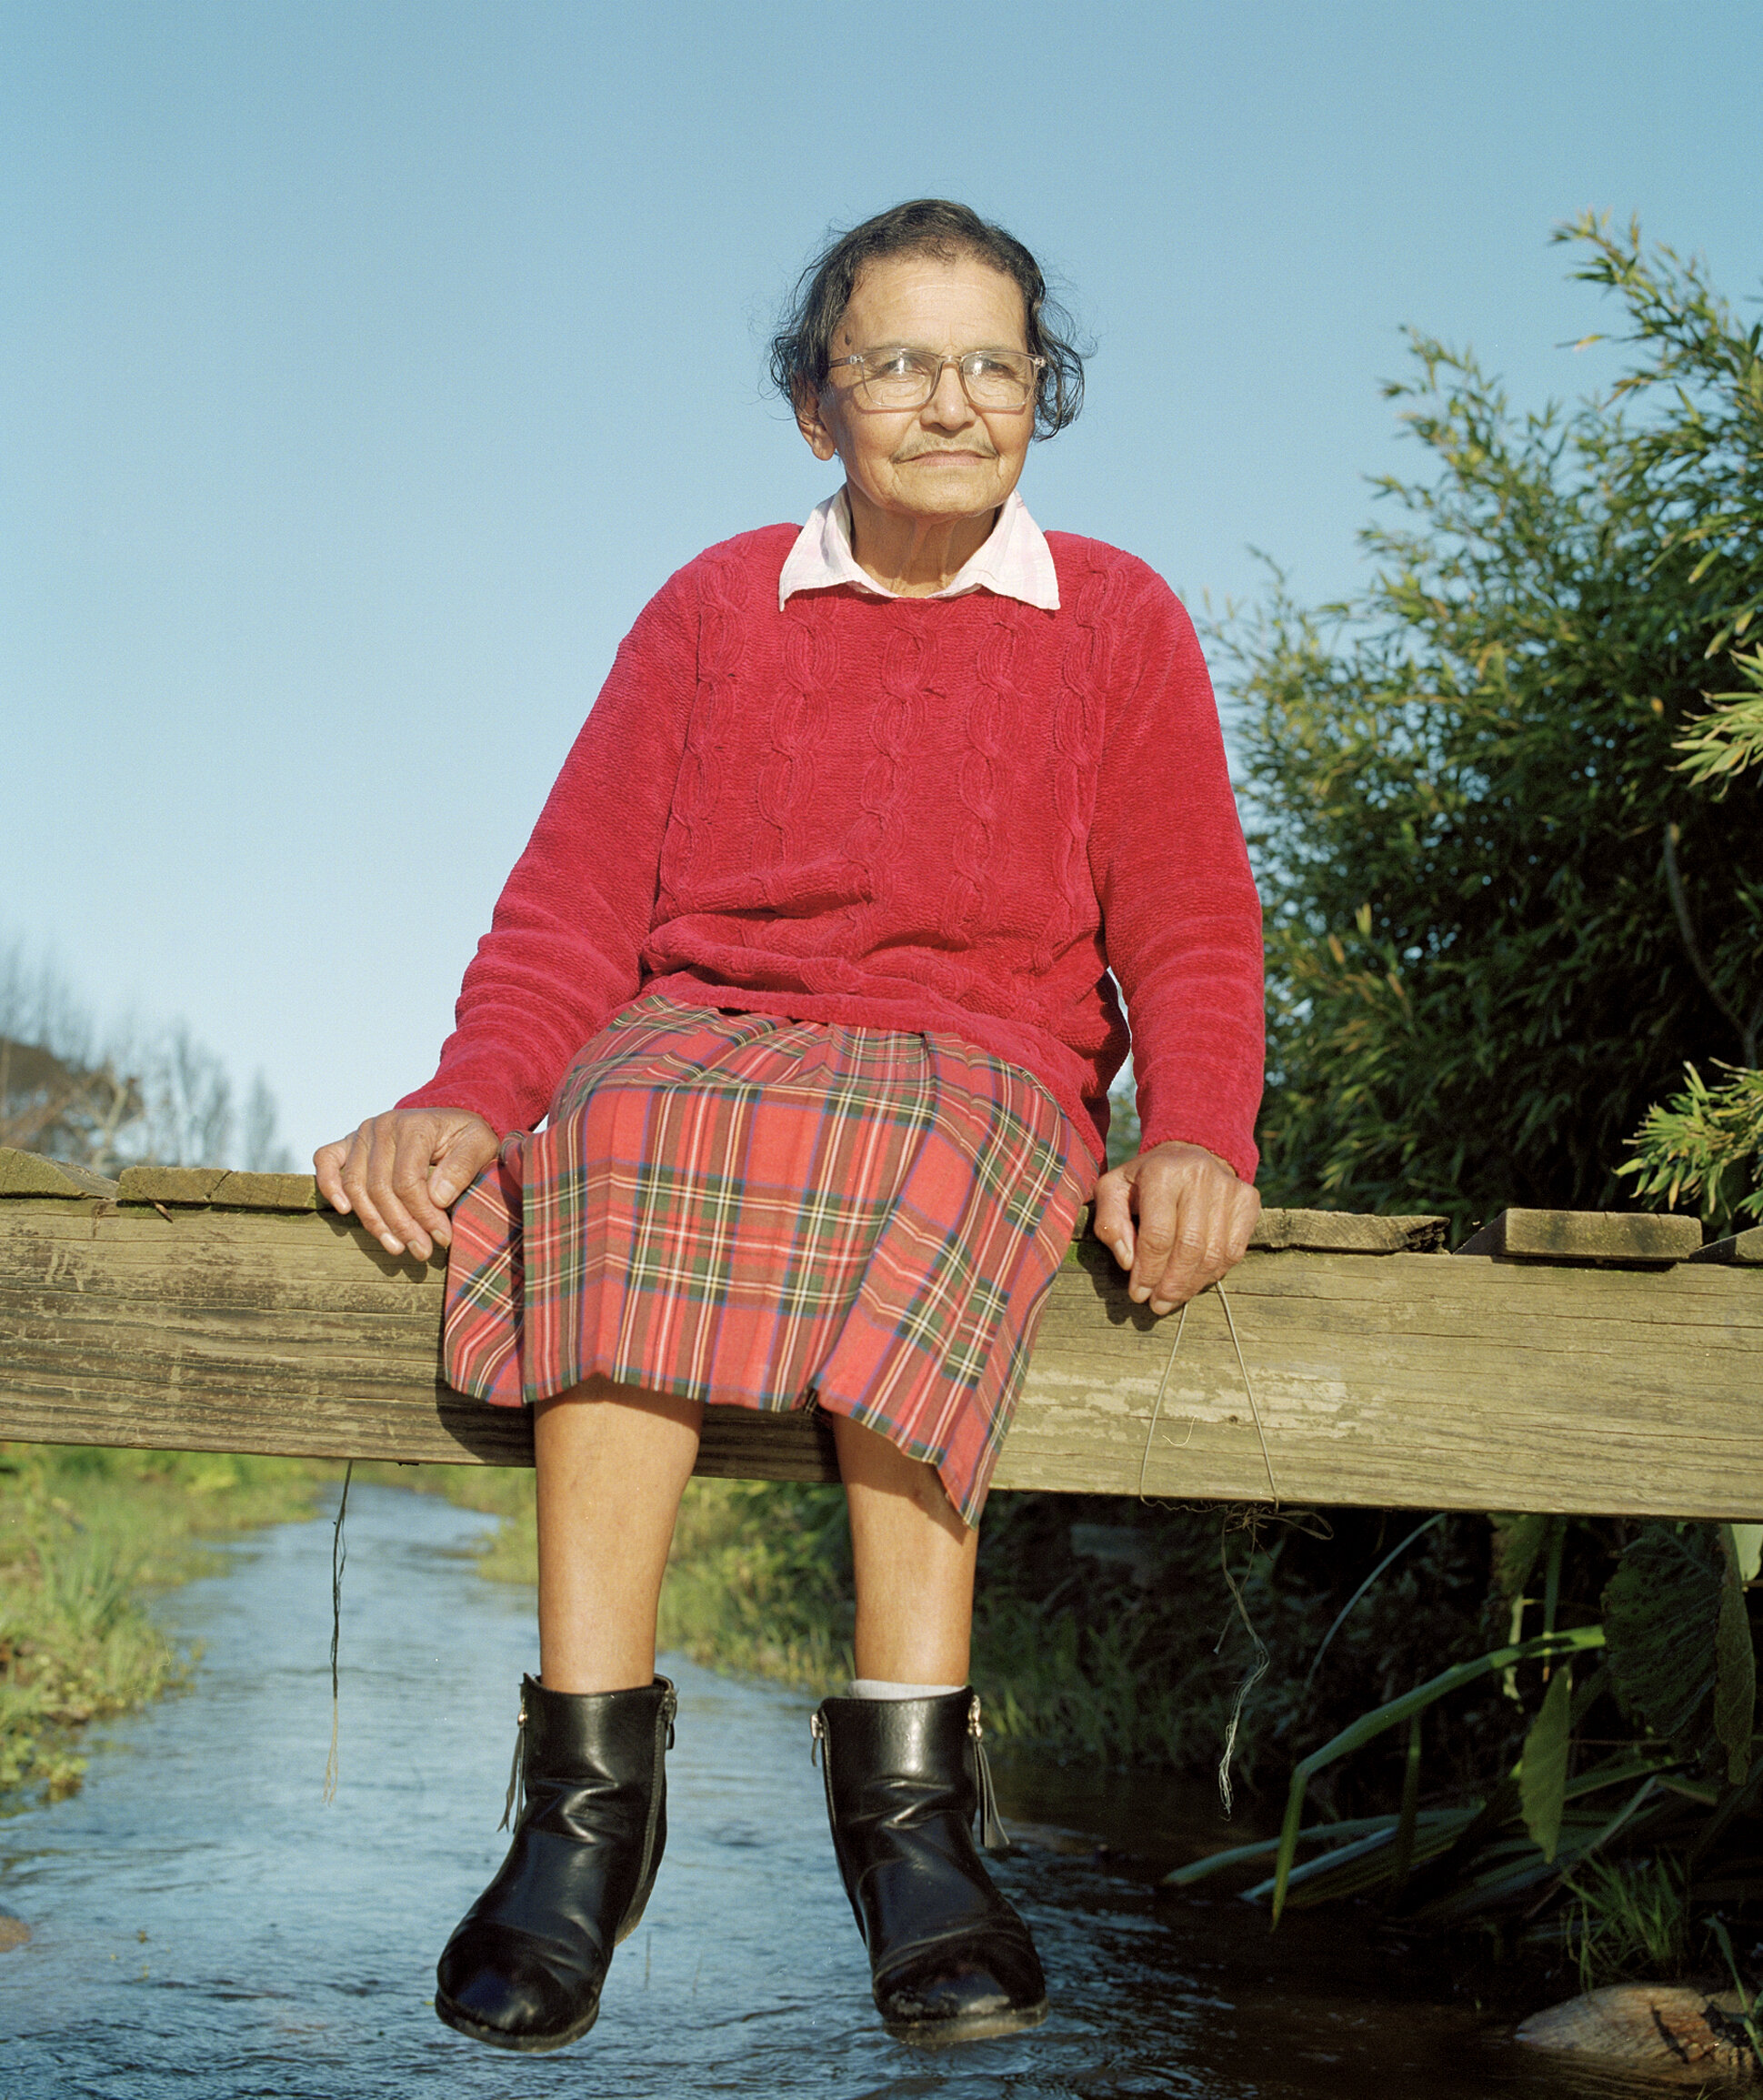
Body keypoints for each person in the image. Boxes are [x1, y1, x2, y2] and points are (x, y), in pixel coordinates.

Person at [314, 198, 1265, 2055]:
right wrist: (466, 1098)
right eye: (898, 361)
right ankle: (584, 1817)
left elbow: (1189, 922)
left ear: (1038, 397)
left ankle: (911, 1823)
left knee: (936, 1142)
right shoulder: (711, 605)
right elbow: (571, 911)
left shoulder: (1122, 620)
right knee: (609, 1129)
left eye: (993, 363)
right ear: (815, 403)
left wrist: (1196, 1128)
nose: (949, 400)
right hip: (711, 1037)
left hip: (975, 1058)